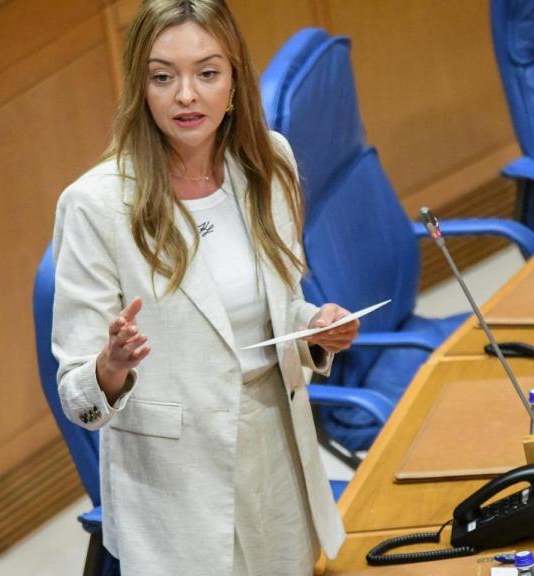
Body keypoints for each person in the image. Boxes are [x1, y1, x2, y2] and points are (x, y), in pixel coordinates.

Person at [51, 1, 360, 574]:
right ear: (140, 89)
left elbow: (278, 307)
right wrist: (111, 365)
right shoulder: (96, 205)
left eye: (207, 73)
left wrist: (315, 327)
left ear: (235, 79)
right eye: (163, 77)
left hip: (277, 456)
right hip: (175, 487)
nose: (186, 95)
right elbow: (77, 396)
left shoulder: (269, 162)